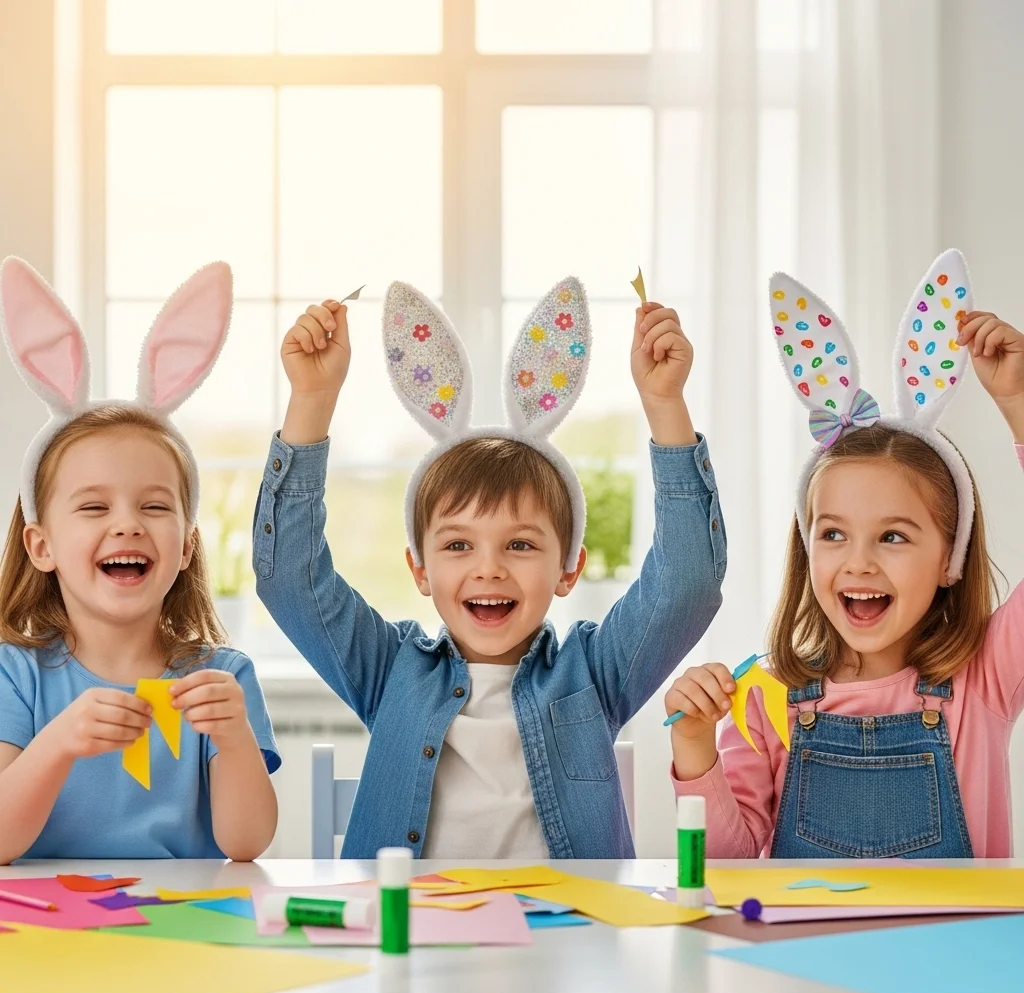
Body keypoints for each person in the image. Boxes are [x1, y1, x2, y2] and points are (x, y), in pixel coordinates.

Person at [255, 277, 725, 858]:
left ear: (568, 569)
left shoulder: (593, 673)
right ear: (419, 569)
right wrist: (311, 400)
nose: (489, 569)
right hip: (414, 916)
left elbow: (687, 584)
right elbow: (290, 580)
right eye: (458, 546)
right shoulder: (390, 671)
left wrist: (664, 404)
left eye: (520, 545)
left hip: (566, 916)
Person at [667, 250, 1024, 857]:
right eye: (833, 534)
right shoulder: (764, 696)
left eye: (893, 536)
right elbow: (724, 866)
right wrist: (696, 747)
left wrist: (1017, 402)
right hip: (799, 928)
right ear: (806, 550)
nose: (859, 562)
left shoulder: (984, 676)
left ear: (950, 559)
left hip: (953, 928)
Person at [0, 258, 279, 863]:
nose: (127, 524)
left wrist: (235, 739)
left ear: (186, 546)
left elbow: (246, 844)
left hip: (184, 917)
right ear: (41, 546)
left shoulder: (223, 676)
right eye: (93, 507)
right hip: (46, 919)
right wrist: (58, 743)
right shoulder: (15, 675)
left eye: (154, 506)